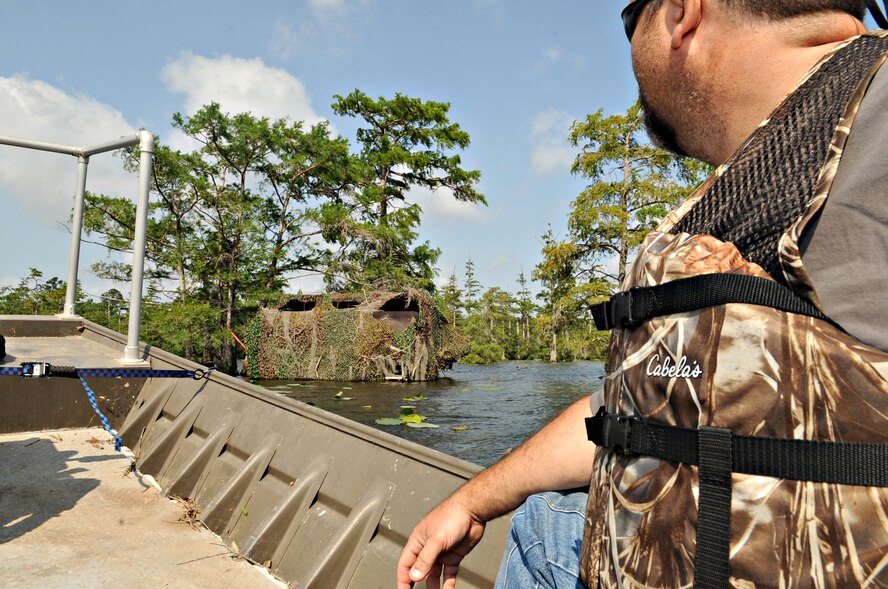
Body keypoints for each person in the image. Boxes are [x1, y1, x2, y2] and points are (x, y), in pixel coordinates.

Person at [398, 1, 888, 587]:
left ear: (682, 14)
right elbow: (643, 410)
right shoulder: (769, 173)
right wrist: (473, 500)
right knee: (542, 521)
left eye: (630, 21)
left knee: (545, 531)